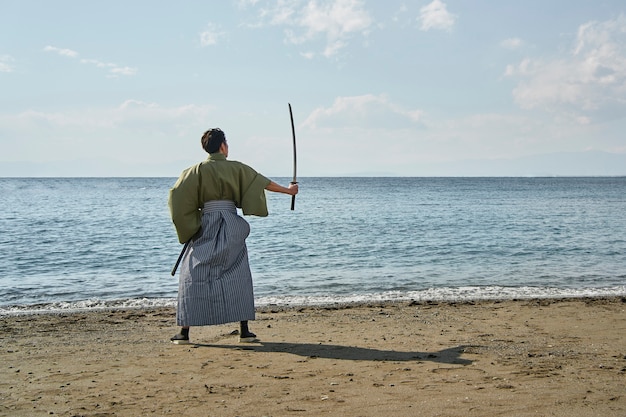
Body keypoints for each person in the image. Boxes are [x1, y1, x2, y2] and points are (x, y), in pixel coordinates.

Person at [168, 128, 298, 344]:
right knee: (238, 272)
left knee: (192, 273)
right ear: (223, 146)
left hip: (206, 224)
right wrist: (289, 191)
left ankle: (184, 332)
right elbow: (261, 182)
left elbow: (176, 197)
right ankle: (244, 330)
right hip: (230, 223)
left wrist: (191, 224)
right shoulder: (236, 167)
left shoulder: (195, 171)